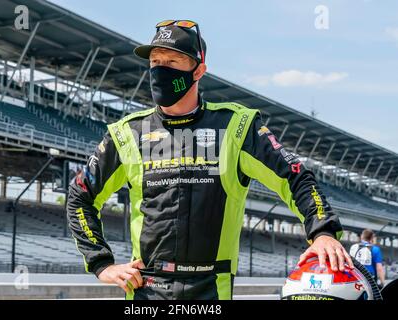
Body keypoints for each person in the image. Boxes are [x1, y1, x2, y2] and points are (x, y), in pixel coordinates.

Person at [67, 19, 353, 300]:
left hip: (211, 288)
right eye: (155, 62)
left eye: (172, 62)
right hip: (146, 289)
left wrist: (323, 232)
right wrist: (101, 263)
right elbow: (80, 196)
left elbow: (295, 175)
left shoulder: (237, 127)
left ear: (199, 70)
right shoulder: (127, 133)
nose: (159, 70)